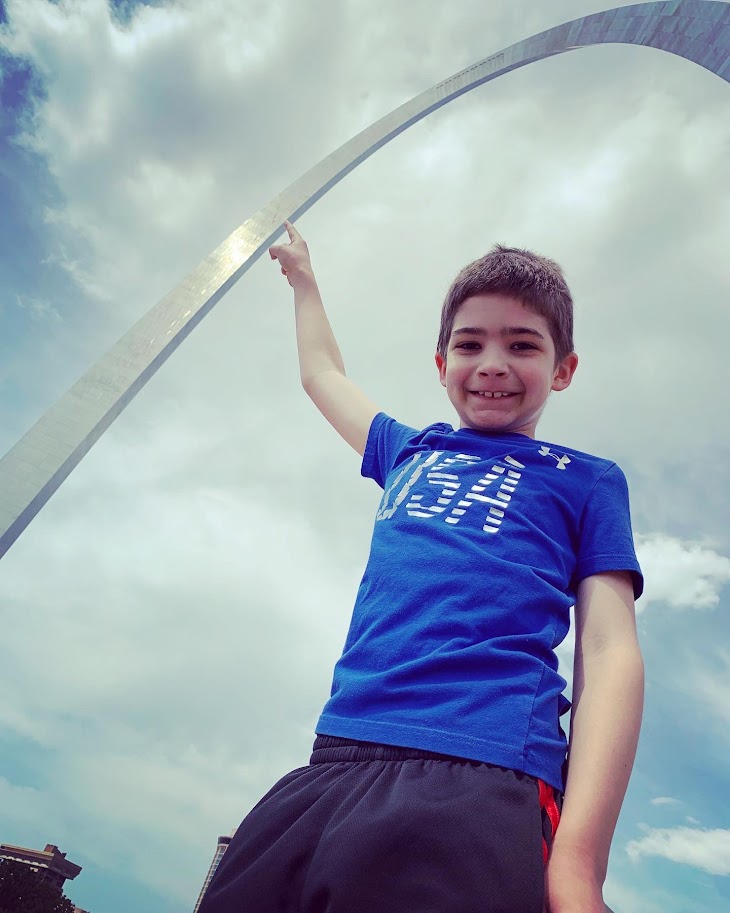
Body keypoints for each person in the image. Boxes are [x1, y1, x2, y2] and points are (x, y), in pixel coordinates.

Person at [198, 221, 644, 913]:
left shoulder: (586, 479)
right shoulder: (409, 450)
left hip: (483, 775)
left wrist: (580, 861)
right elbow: (323, 375)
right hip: (333, 759)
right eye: (470, 344)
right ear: (441, 364)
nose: (492, 362)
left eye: (522, 344)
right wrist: (304, 278)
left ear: (563, 368)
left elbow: (610, 650)